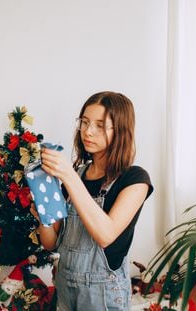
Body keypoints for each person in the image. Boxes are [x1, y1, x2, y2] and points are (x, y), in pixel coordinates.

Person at [35, 91, 153, 310]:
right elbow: (51, 243)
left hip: (103, 295)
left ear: (120, 131)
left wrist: (68, 176)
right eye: (85, 122)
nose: (88, 131)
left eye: (100, 125)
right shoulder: (75, 175)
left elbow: (106, 235)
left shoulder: (135, 179)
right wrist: (43, 214)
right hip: (64, 289)